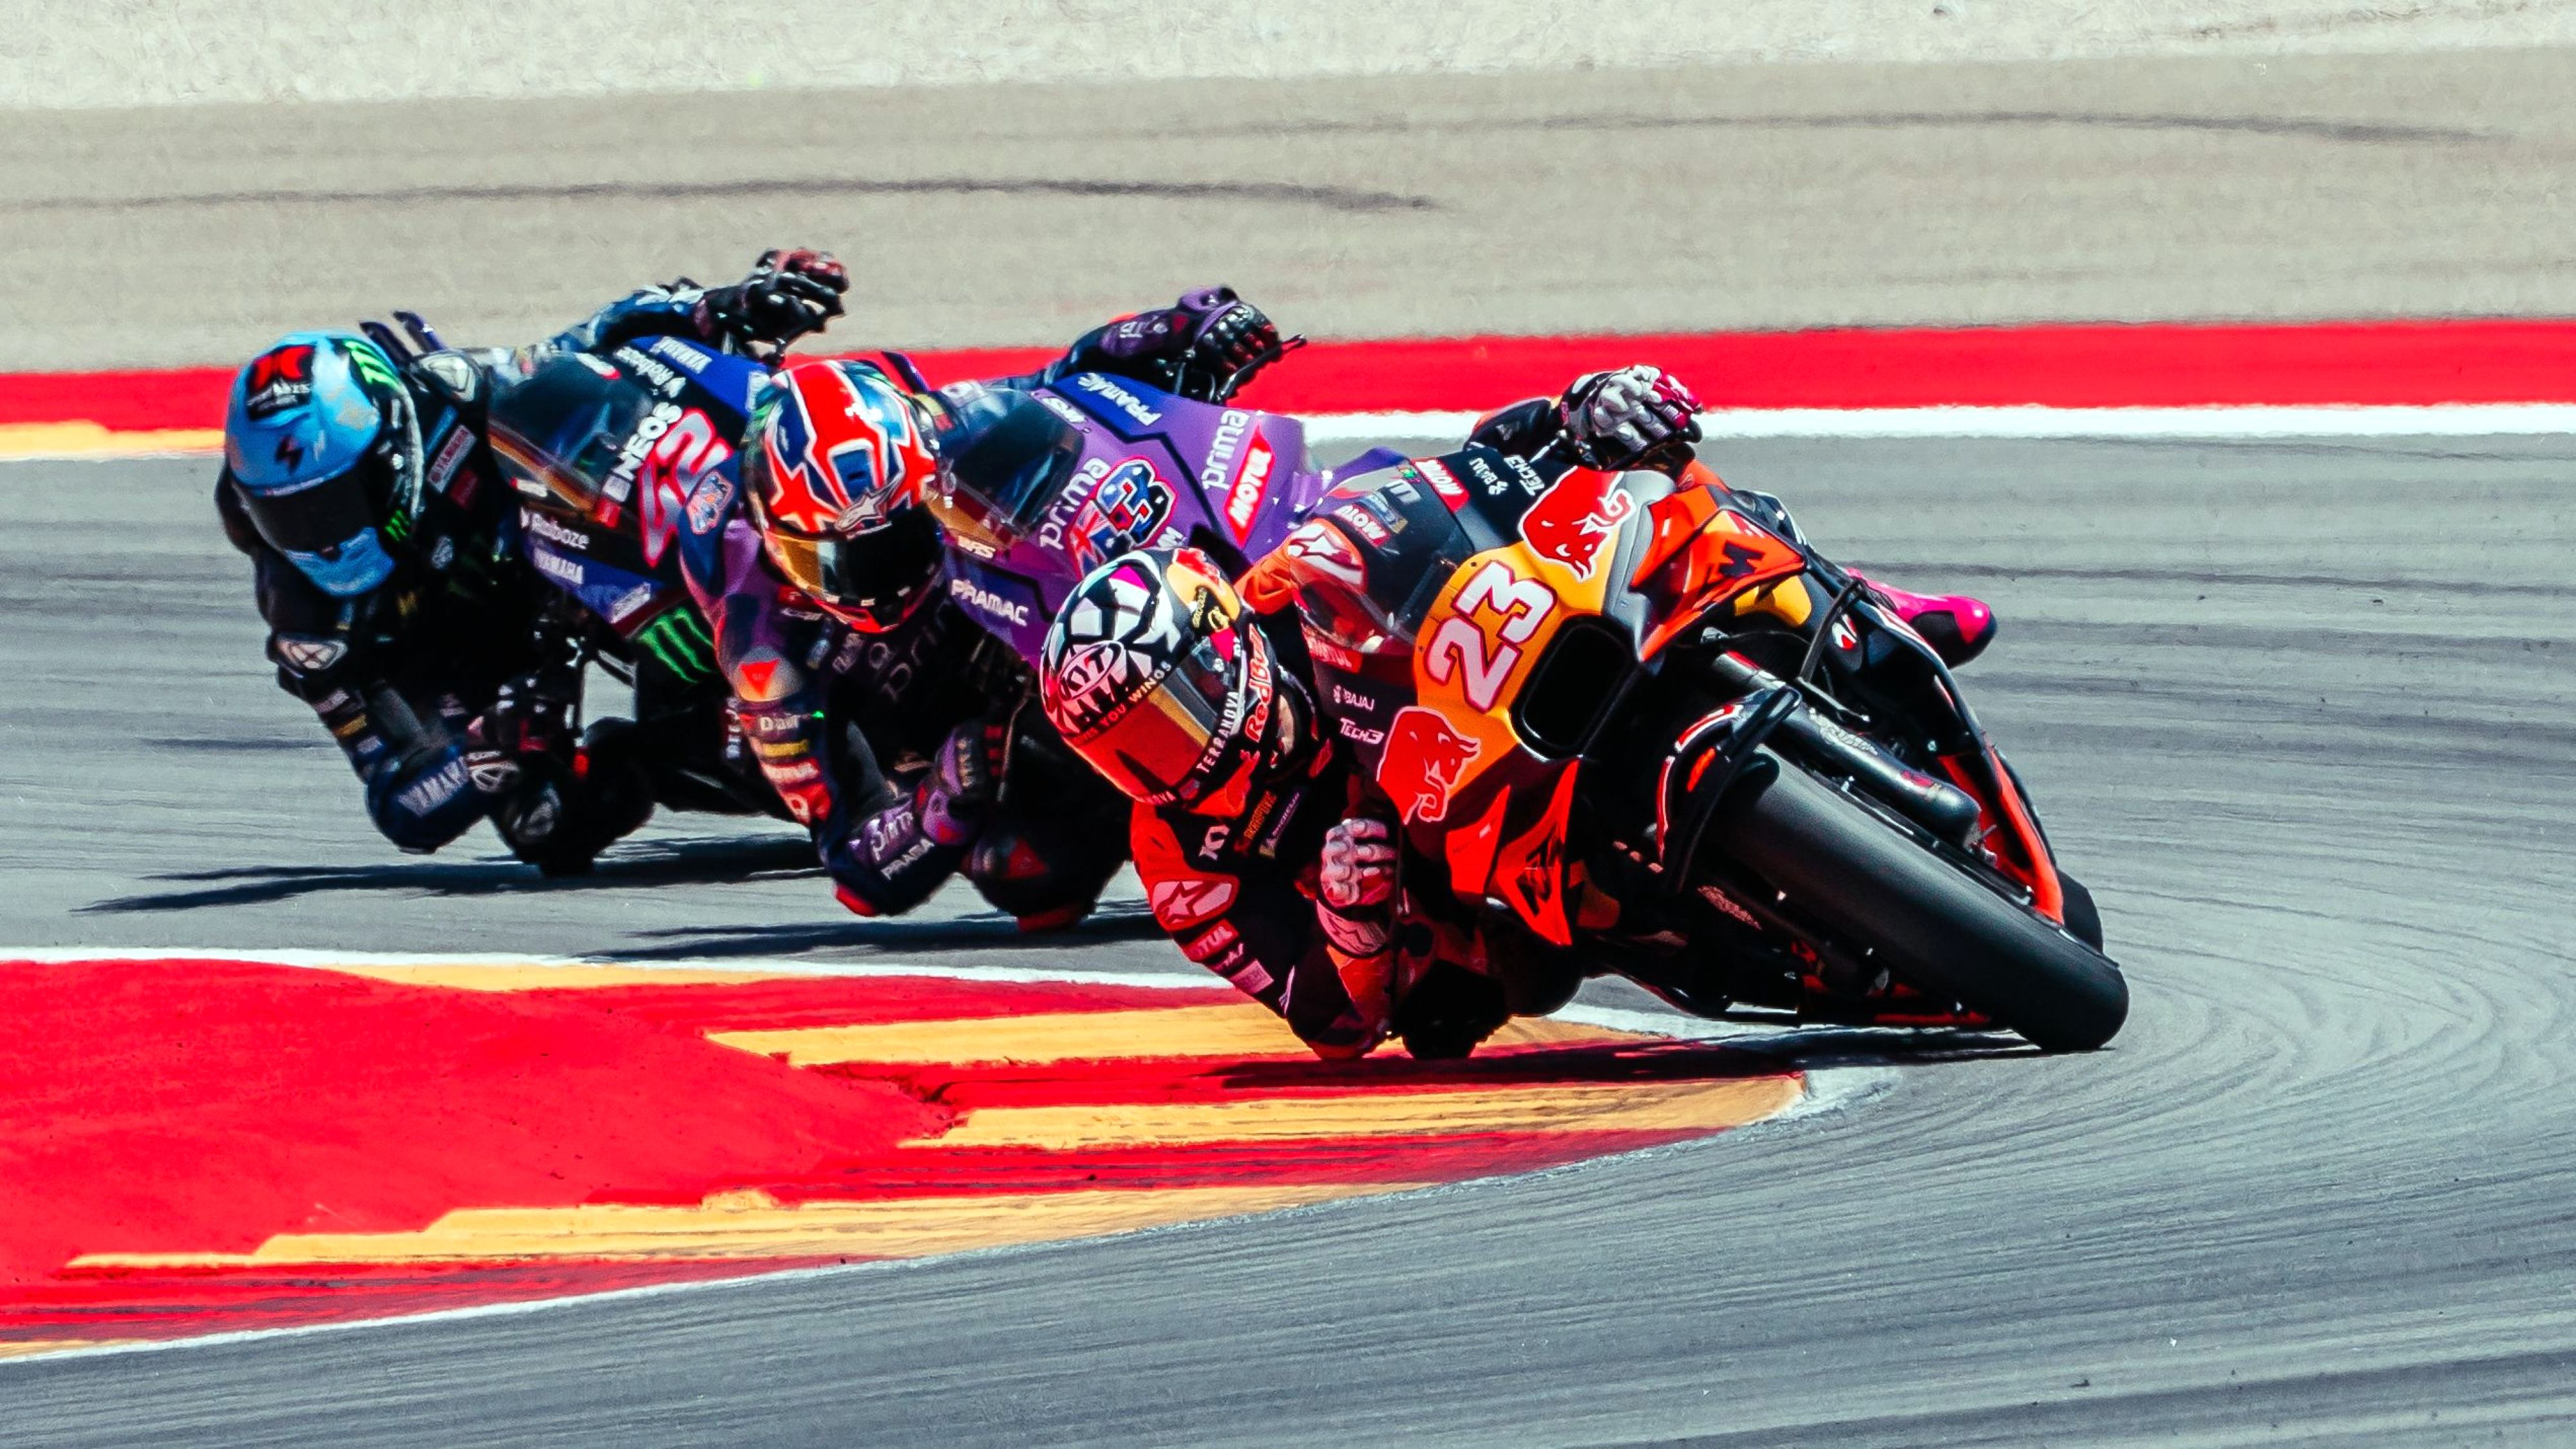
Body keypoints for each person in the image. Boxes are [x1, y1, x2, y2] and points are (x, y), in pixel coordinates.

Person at [1036, 366, 2002, 1057]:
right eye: (1126, 751)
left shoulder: (1285, 587)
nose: (1165, 758)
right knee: (1450, 1011)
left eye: (1169, 715)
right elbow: (1326, 1020)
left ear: (1223, 644)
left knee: (1667, 500)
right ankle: (1686, 933)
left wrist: (1577, 413)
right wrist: (1353, 928)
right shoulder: (1177, 858)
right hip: (1453, 879)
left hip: (1487, 710)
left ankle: (1861, 604)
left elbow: (1458, 480)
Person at [216, 250, 850, 863]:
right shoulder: (310, 621)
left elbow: (587, 344)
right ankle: (655, 753)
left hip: (574, 556)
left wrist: (727, 305)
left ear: (391, 454)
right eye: (285, 515)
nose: (318, 537)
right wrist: (481, 754)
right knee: (545, 822)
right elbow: (400, 802)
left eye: (331, 504)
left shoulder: (449, 397)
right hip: (473, 658)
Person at [681, 287, 1289, 922]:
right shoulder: (768, 656)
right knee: (1022, 870)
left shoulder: (934, 436)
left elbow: (1069, 381)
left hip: (1060, 635)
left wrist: (1181, 329)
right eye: (842, 560)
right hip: (1004, 747)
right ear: (781, 543)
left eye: (898, 536)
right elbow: (855, 870)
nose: (880, 577)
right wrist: (942, 801)